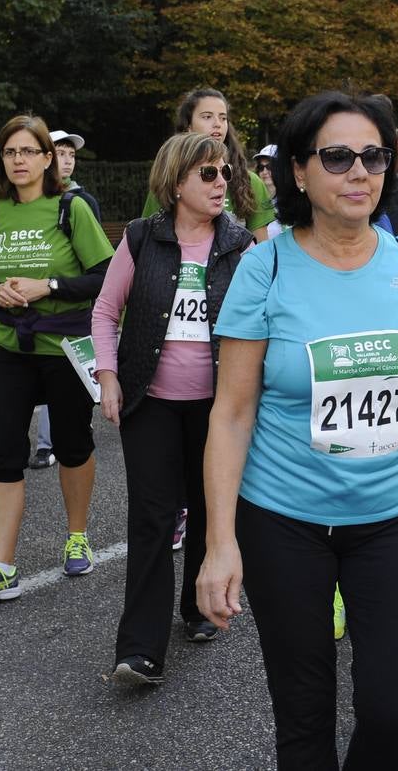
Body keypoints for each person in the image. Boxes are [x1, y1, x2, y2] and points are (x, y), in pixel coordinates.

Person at [196, 89, 398, 769]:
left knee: (396, 708)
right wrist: (219, 542)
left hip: (395, 515)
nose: (359, 171)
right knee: (304, 714)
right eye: (338, 156)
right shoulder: (265, 267)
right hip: (284, 522)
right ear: (299, 171)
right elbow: (231, 413)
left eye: (374, 156)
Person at [95, 132, 255, 686]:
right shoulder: (142, 239)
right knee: (152, 520)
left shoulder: (241, 245)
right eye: (208, 174)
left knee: (209, 510)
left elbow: (264, 323)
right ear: (176, 182)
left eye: (225, 173)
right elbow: (104, 312)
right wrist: (109, 376)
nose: (221, 183)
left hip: (219, 408)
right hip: (151, 403)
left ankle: (196, 608)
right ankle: (140, 649)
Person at [0, 114, 113, 604]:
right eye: (10, 152)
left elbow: (106, 276)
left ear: (49, 158)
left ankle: (77, 535)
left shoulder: (71, 208)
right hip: (10, 349)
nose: (18, 160)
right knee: (3, 450)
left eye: (28, 151)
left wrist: (48, 286)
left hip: (65, 349)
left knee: (72, 443)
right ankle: (1, 566)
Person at [30, 129, 101, 471]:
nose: (68, 159)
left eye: (71, 154)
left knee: (75, 377)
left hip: (76, 311)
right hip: (37, 321)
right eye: (60, 153)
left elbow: (97, 264)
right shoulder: (28, 203)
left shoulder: (84, 202)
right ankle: (45, 444)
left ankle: (76, 426)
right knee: (47, 376)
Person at [143, 88, 275, 243]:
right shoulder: (169, 178)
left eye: (223, 118)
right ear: (188, 126)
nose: (217, 124)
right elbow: (147, 240)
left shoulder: (250, 181)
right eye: (207, 117)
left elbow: (261, 251)